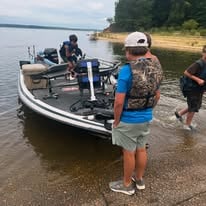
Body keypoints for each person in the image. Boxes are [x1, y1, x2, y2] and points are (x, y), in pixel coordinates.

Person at [109, 32, 163, 195]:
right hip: (146, 116)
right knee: (141, 149)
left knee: (128, 152)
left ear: (128, 50)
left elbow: (119, 102)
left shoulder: (127, 70)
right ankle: (139, 179)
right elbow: (157, 94)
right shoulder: (156, 65)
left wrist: (116, 121)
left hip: (128, 118)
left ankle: (126, 185)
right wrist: (147, 111)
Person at [175, 45, 206, 130]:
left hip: (199, 89)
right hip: (191, 88)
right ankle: (187, 125)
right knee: (193, 107)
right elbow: (186, 72)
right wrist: (198, 80)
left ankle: (179, 114)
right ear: (203, 53)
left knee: (195, 105)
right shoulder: (198, 63)